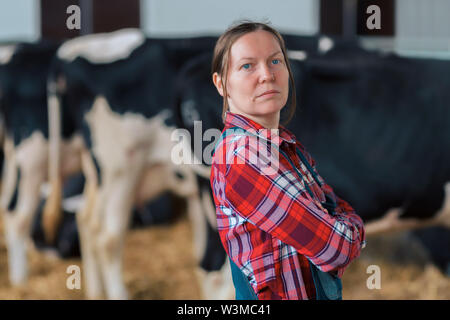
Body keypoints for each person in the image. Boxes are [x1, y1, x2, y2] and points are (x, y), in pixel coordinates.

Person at [209, 21, 366, 300]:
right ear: (222, 84)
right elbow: (335, 248)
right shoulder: (243, 158)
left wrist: (341, 227)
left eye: (275, 61)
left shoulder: (284, 144)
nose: (267, 75)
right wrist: (350, 230)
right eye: (247, 66)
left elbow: (336, 210)